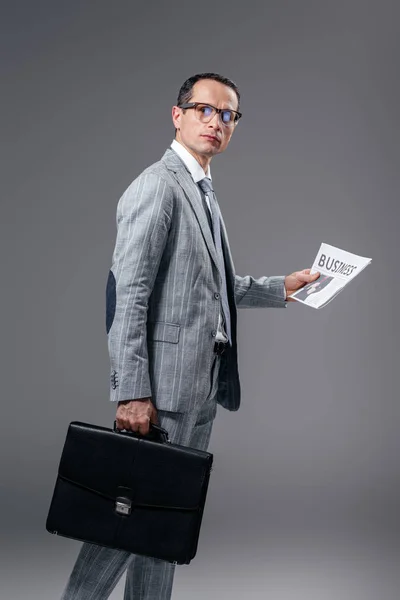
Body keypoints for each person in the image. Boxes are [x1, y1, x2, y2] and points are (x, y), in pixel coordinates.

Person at [60, 72, 319, 600]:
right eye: (205, 109)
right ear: (177, 115)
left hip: (200, 388)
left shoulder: (201, 189)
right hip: (160, 394)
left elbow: (212, 288)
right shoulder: (159, 186)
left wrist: (281, 289)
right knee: (123, 525)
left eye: (228, 115)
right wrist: (131, 391)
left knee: (162, 527)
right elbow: (128, 294)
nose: (217, 122)